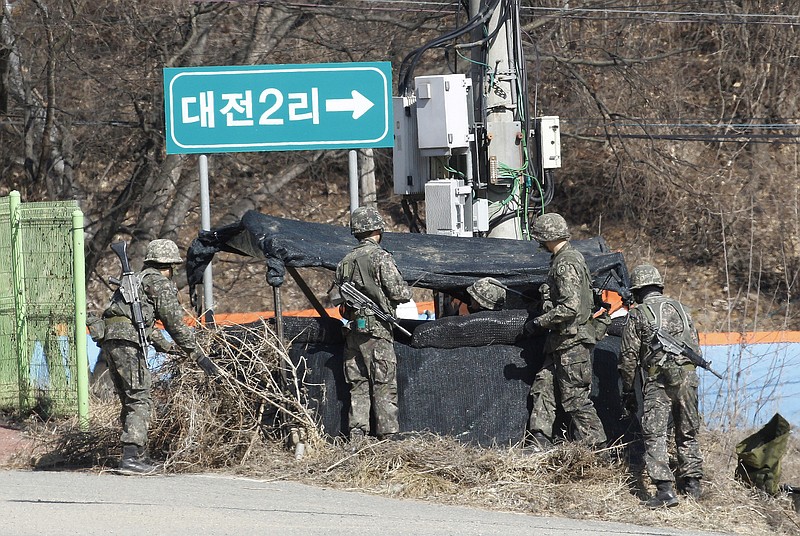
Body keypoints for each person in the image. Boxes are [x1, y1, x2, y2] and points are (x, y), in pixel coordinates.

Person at [100, 239, 218, 474]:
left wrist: (166, 347)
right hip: (128, 342)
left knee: (129, 398)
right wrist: (199, 356)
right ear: (169, 266)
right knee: (140, 398)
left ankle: (137, 455)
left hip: (110, 340)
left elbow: (142, 323)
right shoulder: (158, 283)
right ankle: (131, 458)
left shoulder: (136, 281)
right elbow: (175, 325)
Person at [619, 264, 704, 508]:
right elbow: (695, 349)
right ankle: (692, 486)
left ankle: (665, 490)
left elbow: (628, 358)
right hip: (688, 377)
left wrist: (628, 390)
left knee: (654, 433)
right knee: (687, 431)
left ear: (637, 291)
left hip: (659, 380)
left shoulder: (638, 314)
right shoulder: (683, 309)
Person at [525, 212, 607, 451]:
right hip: (561, 342)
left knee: (575, 400)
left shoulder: (565, 262)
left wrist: (539, 322)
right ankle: (540, 439)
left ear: (545, 237)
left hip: (572, 341)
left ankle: (598, 449)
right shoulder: (569, 258)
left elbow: (569, 307)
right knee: (543, 385)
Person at [334, 206, 412, 442]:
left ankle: (357, 434)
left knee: (357, 384)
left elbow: (338, 297)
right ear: (377, 229)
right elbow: (399, 293)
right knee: (383, 382)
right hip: (377, 331)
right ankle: (388, 436)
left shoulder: (344, 262)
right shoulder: (380, 257)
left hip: (353, 330)